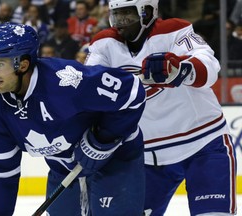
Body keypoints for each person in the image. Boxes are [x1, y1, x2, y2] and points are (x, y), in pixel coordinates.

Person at [0, 22, 146, 216]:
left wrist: (102, 139)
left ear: (22, 65)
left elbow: (132, 92)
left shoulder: (68, 82)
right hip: (64, 170)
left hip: (115, 159)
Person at [85, 0, 237, 215]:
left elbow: (209, 64)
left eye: (127, 15)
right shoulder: (104, 43)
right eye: (116, 16)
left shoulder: (173, 30)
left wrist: (181, 69)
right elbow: (89, 85)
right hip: (148, 157)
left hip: (203, 144)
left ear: (147, 13)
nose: (120, 23)